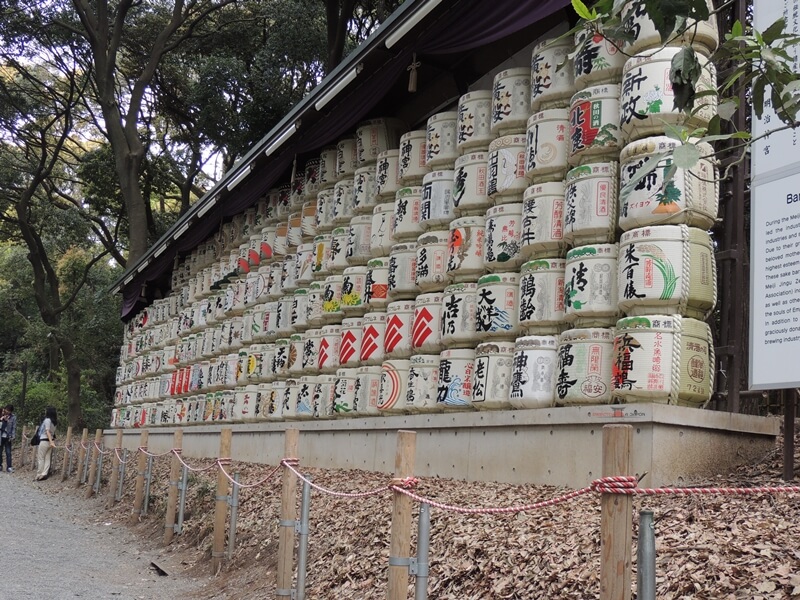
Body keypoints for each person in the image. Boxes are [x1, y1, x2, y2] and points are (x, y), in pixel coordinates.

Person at [34, 406, 57, 481]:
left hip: (44, 440)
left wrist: (51, 441)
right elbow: (52, 432)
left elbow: (47, 431)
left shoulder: (47, 420)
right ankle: (44, 473)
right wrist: (52, 441)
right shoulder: (54, 421)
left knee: (41, 457)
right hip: (51, 441)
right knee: (47, 458)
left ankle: (39, 474)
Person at [0, 405, 16, 472]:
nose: (7, 411)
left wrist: (13, 436)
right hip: (0, 436)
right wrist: (2, 419)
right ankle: (0, 465)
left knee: (8, 452)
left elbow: (14, 427)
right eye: (6, 410)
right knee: (0, 452)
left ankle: (9, 466)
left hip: (8, 436)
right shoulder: (1, 415)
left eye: (9, 411)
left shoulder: (13, 417)